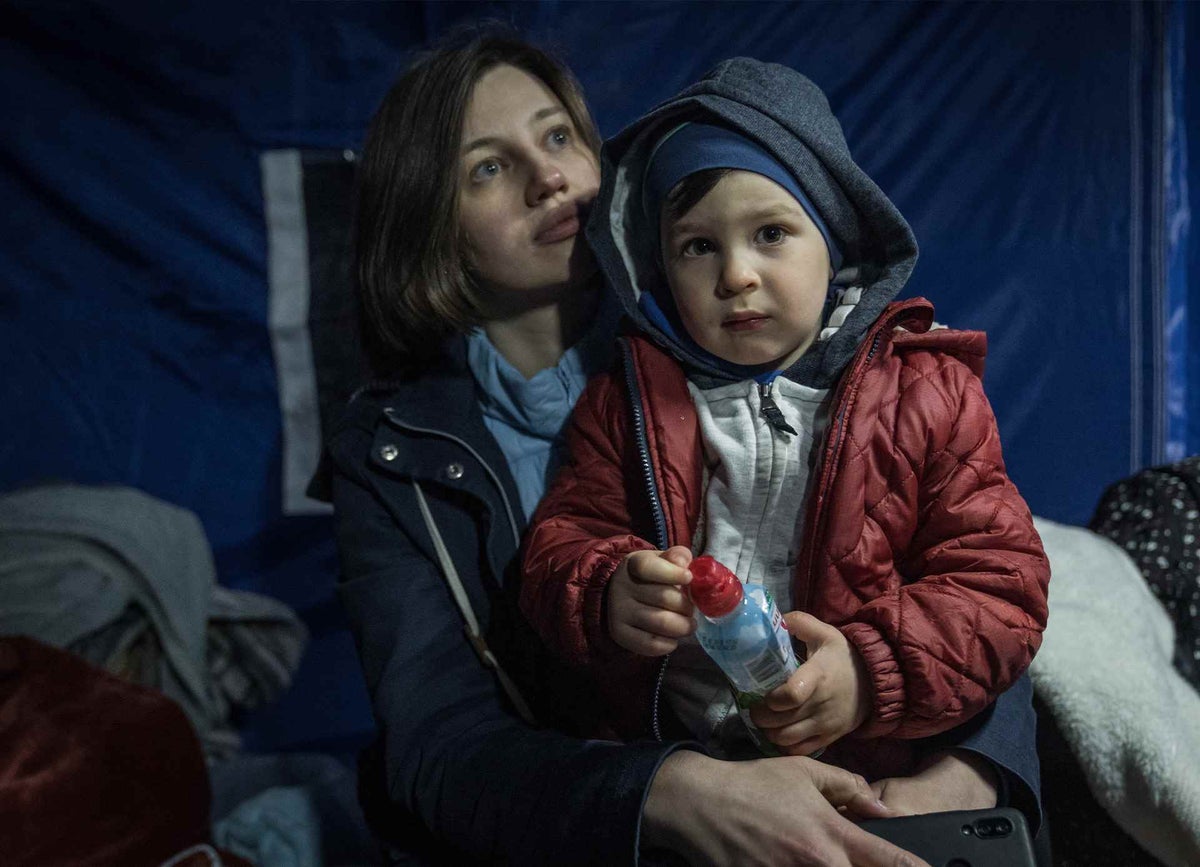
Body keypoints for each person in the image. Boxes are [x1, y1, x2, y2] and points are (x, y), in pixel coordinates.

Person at [320, 26, 1042, 866]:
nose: (548, 177)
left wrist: (966, 773)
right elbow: (437, 746)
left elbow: (982, 583)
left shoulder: (822, 368)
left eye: (558, 136)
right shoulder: (396, 452)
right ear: (426, 222)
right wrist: (669, 791)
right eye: (487, 166)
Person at [520, 60, 1050, 778]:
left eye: (770, 233)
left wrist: (868, 674)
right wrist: (606, 590)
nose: (735, 274)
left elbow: (999, 583)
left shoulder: (929, 393)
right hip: (685, 771)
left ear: (833, 245)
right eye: (698, 246)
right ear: (658, 271)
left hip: (866, 765)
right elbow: (560, 544)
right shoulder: (625, 403)